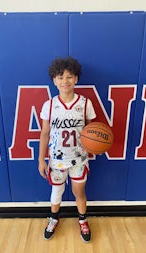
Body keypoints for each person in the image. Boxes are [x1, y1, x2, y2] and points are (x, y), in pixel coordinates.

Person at [38, 56, 96, 243]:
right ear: (54, 81)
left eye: (69, 77)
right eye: (60, 77)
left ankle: (82, 220)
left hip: (79, 159)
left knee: (80, 192)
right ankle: (54, 218)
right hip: (56, 160)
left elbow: (91, 131)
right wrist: (41, 159)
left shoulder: (85, 103)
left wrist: (95, 145)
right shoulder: (49, 105)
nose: (65, 81)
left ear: (76, 79)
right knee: (57, 191)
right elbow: (45, 133)